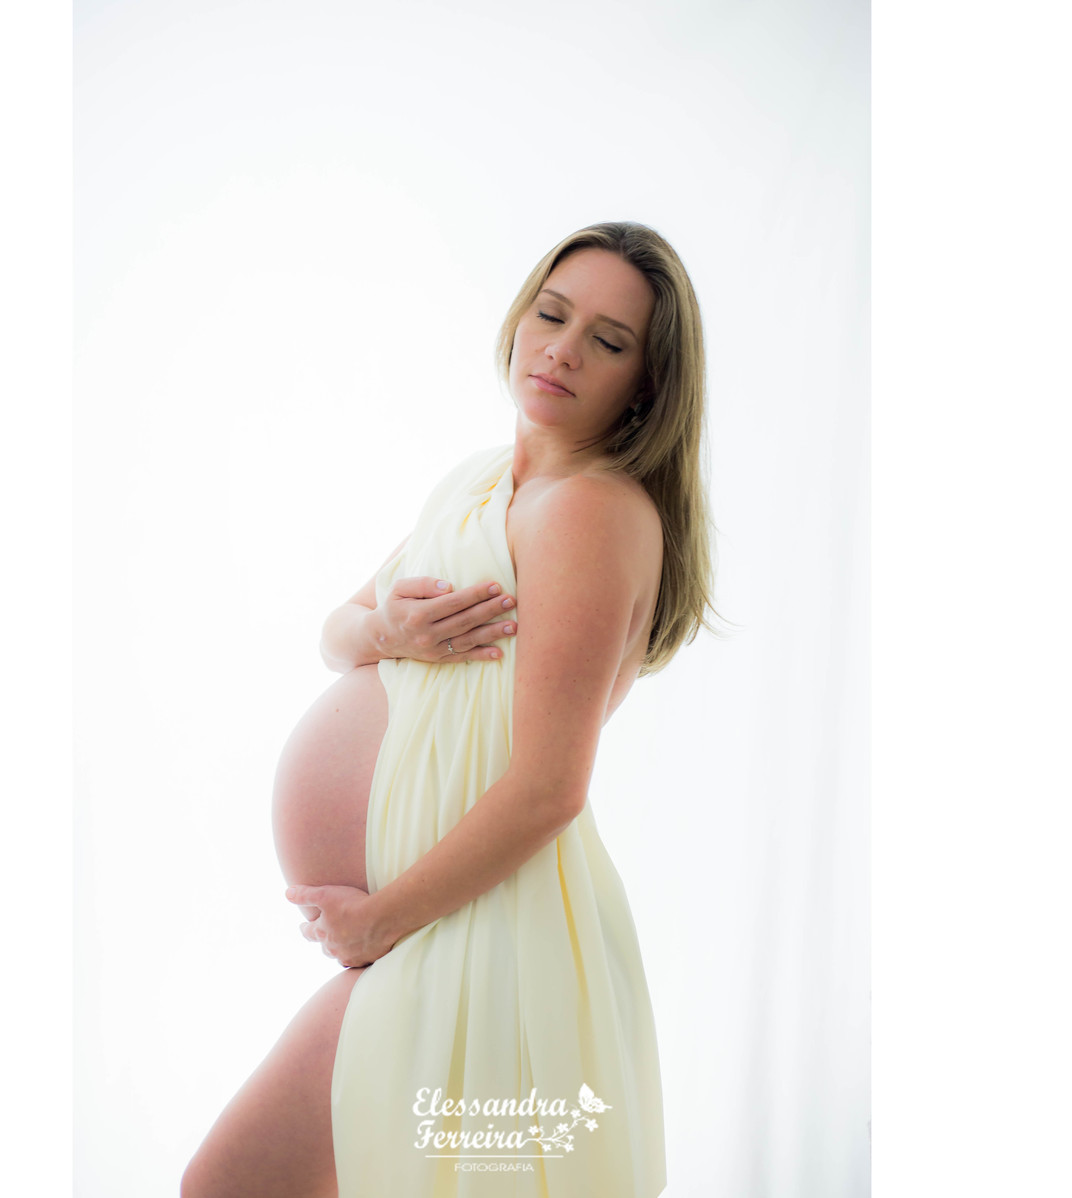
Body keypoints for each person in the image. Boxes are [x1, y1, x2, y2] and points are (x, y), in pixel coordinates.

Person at [181, 220, 721, 1198]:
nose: (562, 349)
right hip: (437, 929)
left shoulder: (589, 510)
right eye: (551, 315)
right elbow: (336, 633)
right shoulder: (480, 483)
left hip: (480, 930)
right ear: (518, 320)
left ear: (647, 383)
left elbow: (551, 787)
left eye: (607, 340)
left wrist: (379, 921)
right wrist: (390, 630)